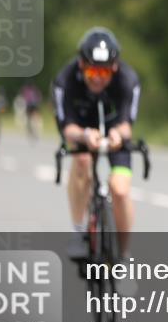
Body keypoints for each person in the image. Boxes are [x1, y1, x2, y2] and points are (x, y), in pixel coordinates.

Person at [51, 27, 141, 262]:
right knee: (81, 161)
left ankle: (123, 254)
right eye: (92, 70)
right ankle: (79, 231)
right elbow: (66, 126)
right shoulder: (65, 79)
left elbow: (127, 123)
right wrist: (83, 136)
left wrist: (117, 135)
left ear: (114, 68)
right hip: (80, 130)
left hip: (114, 132)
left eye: (104, 72)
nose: (98, 77)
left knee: (120, 190)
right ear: (81, 65)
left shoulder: (128, 79)